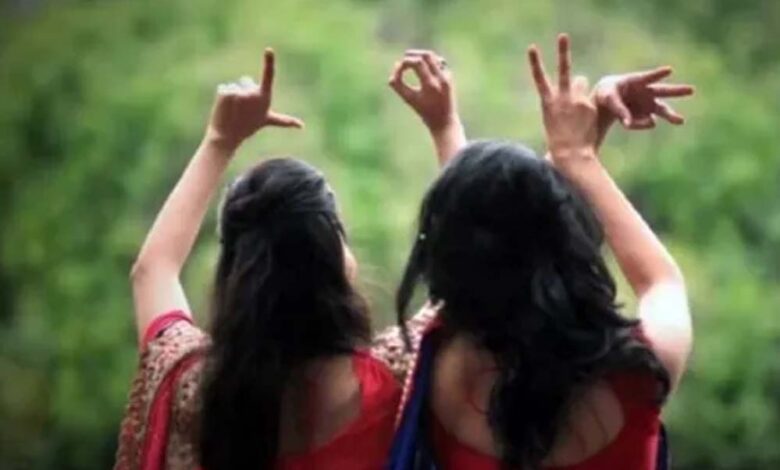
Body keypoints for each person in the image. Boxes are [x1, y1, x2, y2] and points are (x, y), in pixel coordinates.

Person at [391, 34, 695, 469]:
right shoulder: (641, 372)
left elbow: (488, 242)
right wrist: (578, 155)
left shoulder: (439, 364)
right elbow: (660, 281)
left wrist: (445, 128)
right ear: (573, 244)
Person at [115, 49, 402, 470]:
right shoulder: (398, 381)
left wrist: (219, 140)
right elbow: (481, 281)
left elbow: (153, 270)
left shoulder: (193, 390)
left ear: (236, 268)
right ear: (336, 259)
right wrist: (445, 125)